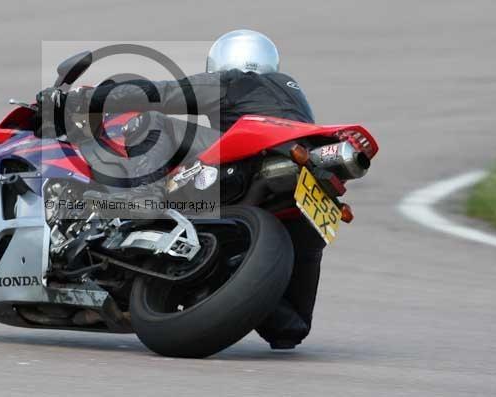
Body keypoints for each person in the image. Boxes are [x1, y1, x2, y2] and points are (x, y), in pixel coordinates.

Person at [36, 29, 323, 349]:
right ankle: (280, 316)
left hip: (252, 161)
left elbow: (157, 93)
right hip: (296, 169)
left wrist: (78, 99)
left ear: (224, 61)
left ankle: (143, 197)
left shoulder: (235, 81)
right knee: (296, 305)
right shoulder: (294, 95)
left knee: (151, 119)